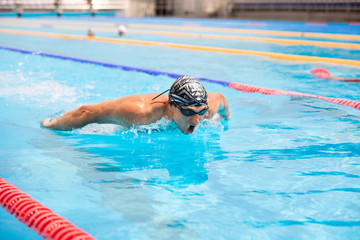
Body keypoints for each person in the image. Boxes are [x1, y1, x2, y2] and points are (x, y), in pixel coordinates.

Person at [41, 76, 230, 134]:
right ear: (172, 106)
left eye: (201, 111)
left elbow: (221, 99)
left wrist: (226, 118)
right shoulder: (141, 114)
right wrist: (52, 124)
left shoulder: (207, 109)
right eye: (188, 112)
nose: (197, 120)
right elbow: (88, 112)